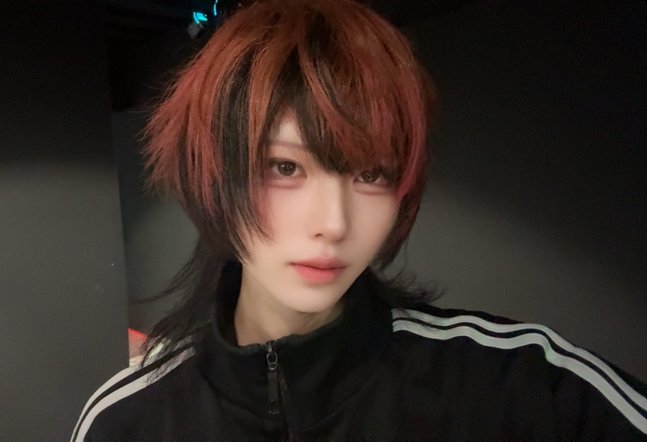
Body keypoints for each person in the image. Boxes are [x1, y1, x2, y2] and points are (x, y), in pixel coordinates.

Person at [72, 0, 647, 439]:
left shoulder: (519, 389)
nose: (334, 223)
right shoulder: (127, 421)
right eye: (284, 167)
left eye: (371, 174)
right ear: (212, 173)